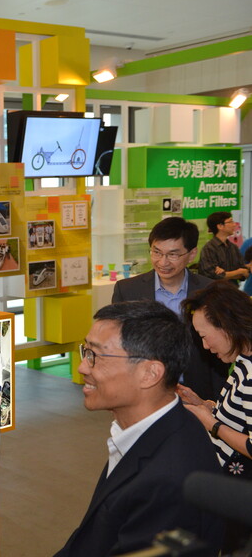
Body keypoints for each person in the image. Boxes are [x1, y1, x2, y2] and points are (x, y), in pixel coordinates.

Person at [54, 301, 224, 557]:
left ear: (150, 373)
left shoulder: (168, 480)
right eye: (85, 351)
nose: (82, 367)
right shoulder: (148, 430)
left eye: (96, 356)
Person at [111, 216, 229, 400]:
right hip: (142, 394)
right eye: (156, 252)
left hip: (198, 394)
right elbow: (117, 344)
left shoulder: (212, 291)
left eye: (173, 255)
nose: (163, 262)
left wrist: (216, 400)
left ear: (192, 254)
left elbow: (221, 352)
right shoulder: (127, 290)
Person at [178, 280, 252, 549]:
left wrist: (211, 423)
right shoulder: (242, 360)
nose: (205, 346)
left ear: (227, 326)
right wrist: (204, 404)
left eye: (204, 336)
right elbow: (241, 415)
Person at [198, 211, 249, 286]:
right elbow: (212, 275)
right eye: (230, 222)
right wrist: (238, 272)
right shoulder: (209, 248)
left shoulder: (233, 247)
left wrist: (226, 274)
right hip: (215, 291)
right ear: (220, 226)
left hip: (233, 290)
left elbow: (245, 273)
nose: (234, 224)